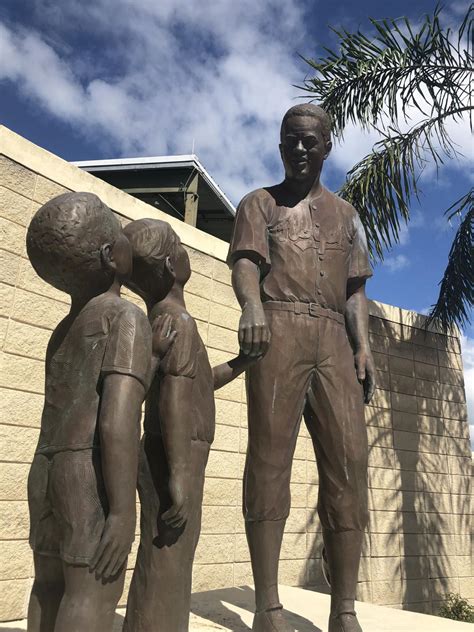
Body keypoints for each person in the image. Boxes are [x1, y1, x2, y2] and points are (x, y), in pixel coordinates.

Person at [228, 104, 376, 632]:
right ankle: (266, 605)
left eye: (309, 141)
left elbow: (357, 289)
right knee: (269, 460)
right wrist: (251, 306)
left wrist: (362, 347)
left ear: (327, 146)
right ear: (279, 143)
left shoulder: (349, 216)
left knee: (349, 467)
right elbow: (246, 261)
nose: (298, 149)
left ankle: (344, 609)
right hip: (280, 328)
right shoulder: (258, 205)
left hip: (336, 338)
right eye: (290, 140)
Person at [25, 192, 173, 632]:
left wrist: (149, 360)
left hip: (45, 469)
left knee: (48, 585)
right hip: (86, 473)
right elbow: (116, 419)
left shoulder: (61, 332)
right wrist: (123, 511)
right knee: (91, 590)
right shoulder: (126, 317)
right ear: (112, 256)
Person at [122, 218, 258, 632]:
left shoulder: (164, 320)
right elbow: (176, 399)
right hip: (175, 456)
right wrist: (180, 475)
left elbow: (198, 382)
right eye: (180, 246)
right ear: (170, 264)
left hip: (172, 454)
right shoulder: (178, 323)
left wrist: (241, 363)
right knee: (170, 553)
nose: (185, 253)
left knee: (165, 550)